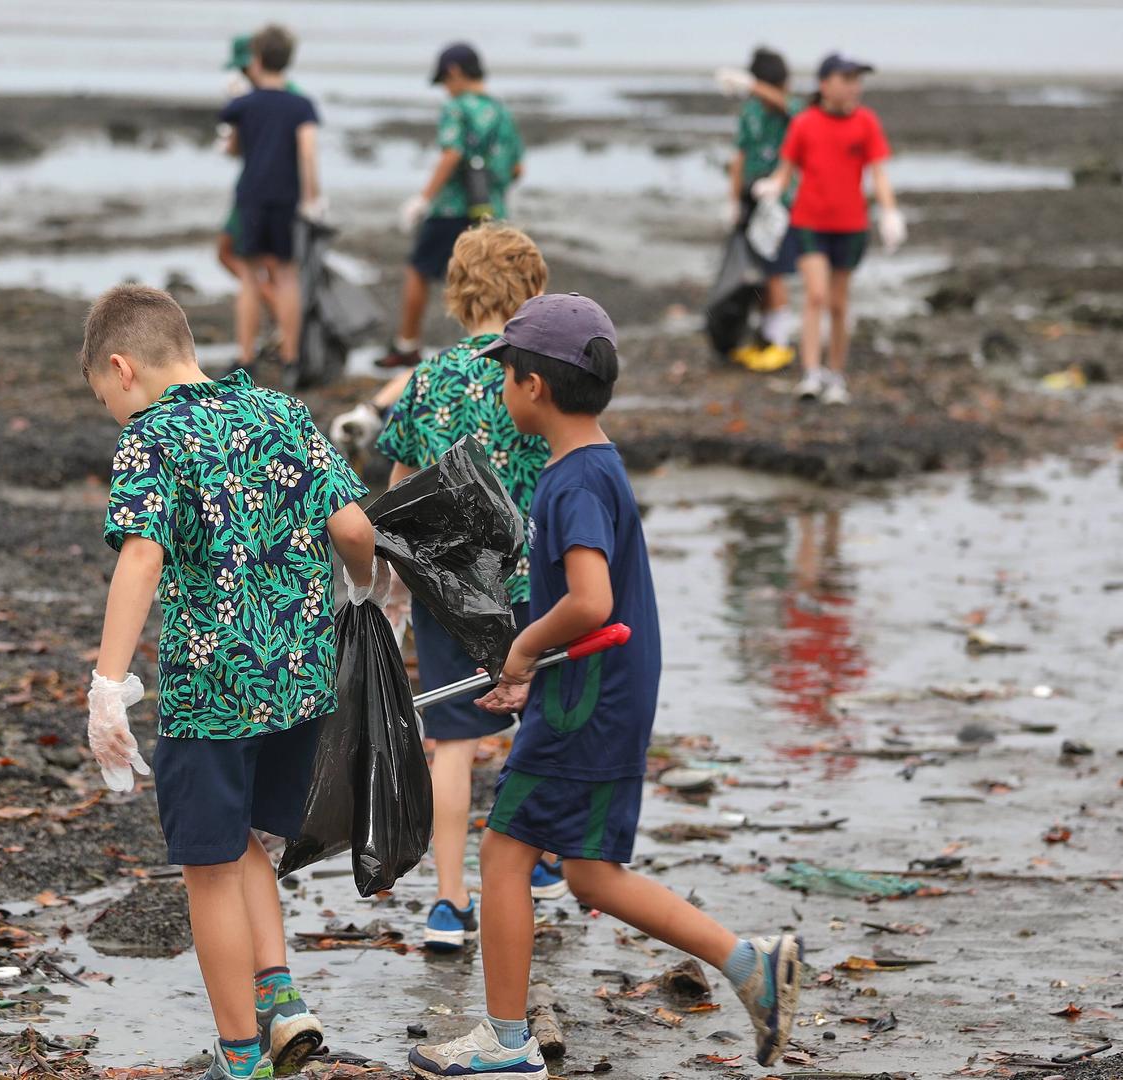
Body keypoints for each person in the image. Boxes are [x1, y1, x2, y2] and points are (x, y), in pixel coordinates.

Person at [408, 293, 802, 1076]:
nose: (502, 389)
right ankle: (748, 963)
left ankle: (508, 1042)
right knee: (588, 872)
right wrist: (534, 675)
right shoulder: (594, 464)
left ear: (535, 388)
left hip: (591, 706)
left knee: (506, 851)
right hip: (599, 694)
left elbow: (591, 601)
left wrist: (522, 646)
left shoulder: (572, 484)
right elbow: (591, 616)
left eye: (507, 376)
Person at [79, 284, 379, 1080]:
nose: (114, 410)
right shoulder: (282, 413)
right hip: (301, 679)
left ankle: (240, 1057)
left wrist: (107, 683)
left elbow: (140, 556)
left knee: (208, 866)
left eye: (106, 395)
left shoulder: (153, 436)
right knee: (247, 836)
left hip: (212, 692)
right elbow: (354, 527)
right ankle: (279, 999)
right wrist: (361, 589)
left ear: (122, 367)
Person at [371, 224, 564, 951]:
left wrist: (391, 587)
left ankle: (449, 903)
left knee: (451, 742)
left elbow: (397, 489)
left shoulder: (427, 380)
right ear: (532, 291)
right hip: (530, 583)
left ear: (456, 293)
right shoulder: (535, 369)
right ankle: (538, 859)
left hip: (447, 590)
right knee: (536, 722)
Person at [754, 53, 904, 404]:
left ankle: (836, 375)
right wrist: (773, 187)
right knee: (816, 295)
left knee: (838, 303)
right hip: (809, 222)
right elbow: (785, 170)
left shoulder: (866, 123)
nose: (854, 87)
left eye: (858, 80)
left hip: (851, 226)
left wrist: (890, 212)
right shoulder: (804, 123)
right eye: (847, 79)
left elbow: (879, 174)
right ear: (825, 84)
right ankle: (811, 373)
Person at [378, 43, 524, 370]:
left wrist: (423, 199)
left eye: (445, 80)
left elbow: (452, 153)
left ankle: (408, 344)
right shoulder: (500, 112)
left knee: (419, 270)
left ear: (455, 72)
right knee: (488, 279)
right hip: (491, 210)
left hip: (451, 209)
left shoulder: (457, 108)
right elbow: (517, 169)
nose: (446, 88)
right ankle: (495, 347)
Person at [219, 25, 324, 381]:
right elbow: (307, 153)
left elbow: (234, 148)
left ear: (257, 59)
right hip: (285, 198)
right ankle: (291, 359)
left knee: (249, 277)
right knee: (286, 276)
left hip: (250, 196)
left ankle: (246, 357)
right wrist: (313, 197)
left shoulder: (243, 104)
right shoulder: (301, 104)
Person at [725, 47, 802, 372]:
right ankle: (763, 336)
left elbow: (789, 106)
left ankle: (780, 341)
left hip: (782, 205)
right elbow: (739, 156)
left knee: (774, 271)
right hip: (751, 201)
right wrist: (732, 201)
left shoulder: (793, 109)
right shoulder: (750, 112)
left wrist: (750, 84)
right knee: (752, 273)